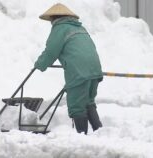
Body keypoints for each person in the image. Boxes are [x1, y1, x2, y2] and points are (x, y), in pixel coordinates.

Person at [34, 3, 103, 134]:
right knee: (88, 102)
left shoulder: (60, 29)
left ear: (54, 18)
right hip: (94, 70)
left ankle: (82, 137)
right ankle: (100, 133)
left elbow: (51, 51)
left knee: (77, 106)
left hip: (79, 72)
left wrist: (40, 64)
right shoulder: (80, 28)